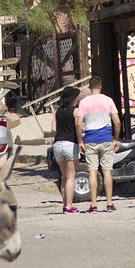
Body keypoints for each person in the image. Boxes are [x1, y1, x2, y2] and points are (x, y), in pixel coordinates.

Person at [75, 76, 121, 213]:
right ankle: (109, 203)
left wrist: (79, 141)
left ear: (90, 88)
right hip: (106, 138)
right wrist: (115, 139)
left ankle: (94, 204)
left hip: (90, 139)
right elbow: (117, 122)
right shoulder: (108, 100)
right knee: (107, 171)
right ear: (100, 87)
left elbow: (78, 123)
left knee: (92, 172)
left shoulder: (83, 102)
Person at [52, 86, 82, 214]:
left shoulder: (58, 111)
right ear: (73, 99)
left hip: (57, 144)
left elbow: (53, 128)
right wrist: (81, 141)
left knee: (64, 177)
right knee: (71, 177)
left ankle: (65, 204)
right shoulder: (75, 111)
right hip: (70, 144)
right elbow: (78, 126)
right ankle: (69, 206)